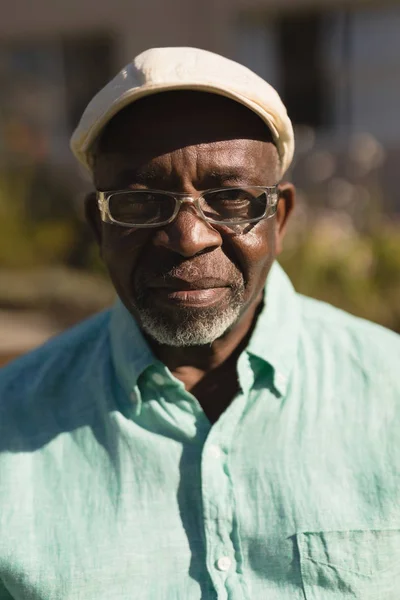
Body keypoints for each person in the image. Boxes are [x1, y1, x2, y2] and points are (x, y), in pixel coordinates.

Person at [0, 47, 399, 600]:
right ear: (99, 225)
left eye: (232, 199)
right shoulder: (11, 422)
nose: (189, 238)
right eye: (139, 203)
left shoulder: (390, 390)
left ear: (279, 220)